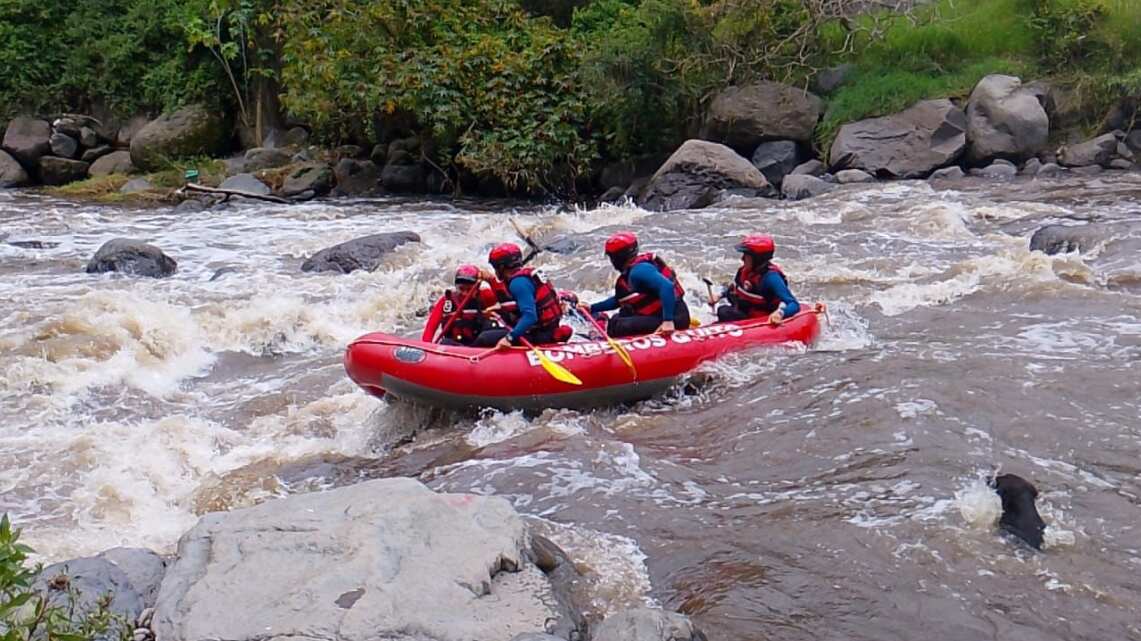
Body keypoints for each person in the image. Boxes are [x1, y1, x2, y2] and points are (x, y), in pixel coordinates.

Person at [586, 232, 690, 338]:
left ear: (617, 258)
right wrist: (592, 308)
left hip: (675, 318)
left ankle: (603, 331)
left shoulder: (639, 271)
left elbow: (667, 286)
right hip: (666, 314)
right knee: (624, 313)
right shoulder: (636, 269)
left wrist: (668, 321)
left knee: (616, 325)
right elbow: (620, 300)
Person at [475, 243, 566, 348]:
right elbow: (514, 303)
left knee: (484, 337)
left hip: (539, 334)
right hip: (547, 328)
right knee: (490, 324)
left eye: (495, 267)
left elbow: (530, 317)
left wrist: (509, 338)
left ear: (501, 267)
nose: (495, 271)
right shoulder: (526, 276)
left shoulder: (518, 283)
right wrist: (491, 282)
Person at [713, 234, 800, 325]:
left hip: (759, 320)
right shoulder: (743, 271)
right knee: (724, 310)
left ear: (758, 259)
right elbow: (735, 289)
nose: (742, 259)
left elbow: (793, 304)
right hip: (744, 312)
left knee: (724, 311)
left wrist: (780, 314)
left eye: (746, 256)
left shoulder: (771, 278)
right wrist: (719, 296)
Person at [421, 264, 499, 345]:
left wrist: (492, 280)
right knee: (445, 342)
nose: (465, 293)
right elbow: (431, 328)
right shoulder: (447, 301)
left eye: (469, 289)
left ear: (477, 287)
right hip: (457, 347)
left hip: (480, 345)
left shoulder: (485, 295)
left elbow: (505, 298)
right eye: (461, 289)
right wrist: (426, 346)